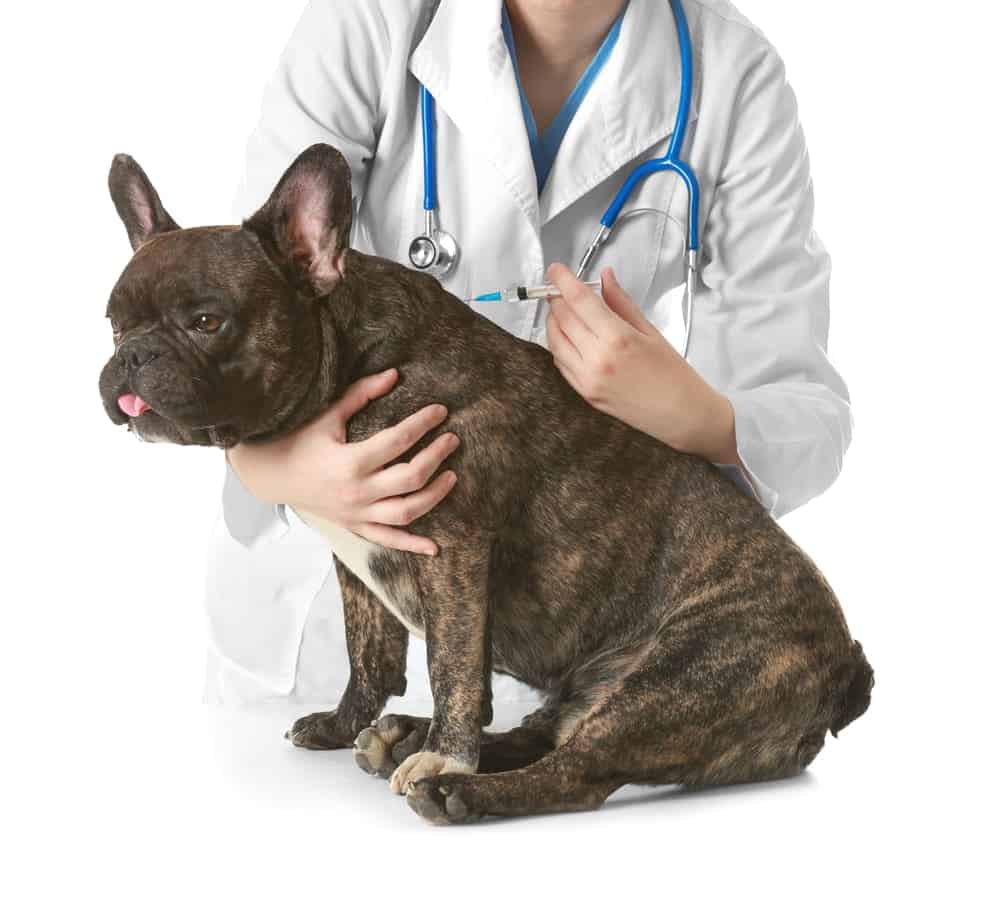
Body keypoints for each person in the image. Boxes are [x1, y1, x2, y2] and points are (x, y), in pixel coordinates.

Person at [204, 0, 851, 709]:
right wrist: (281, 468)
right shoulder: (372, 18)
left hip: (566, 649)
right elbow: (233, 309)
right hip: (318, 643)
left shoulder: (734, 75)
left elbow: (804, 412)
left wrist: (695, 415)